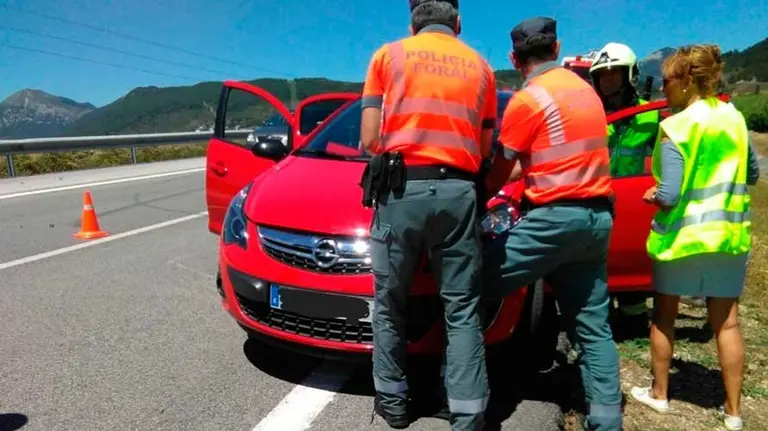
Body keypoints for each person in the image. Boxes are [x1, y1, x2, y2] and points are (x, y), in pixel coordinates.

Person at [358, 0, 497, 429]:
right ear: (457, 22)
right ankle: (466, 412)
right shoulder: (482, 67)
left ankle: (395, 404)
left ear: (412, 21)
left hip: (401, 190)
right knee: (461, 308)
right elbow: (488, 148)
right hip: (459, 191)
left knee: (389, 304)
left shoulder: (387, 55)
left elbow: (368, 140)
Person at [482, 16, 623, 431]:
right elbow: (548, 160)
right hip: (597, 220)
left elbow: (499, 171)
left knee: (468, 284)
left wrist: (471, 200)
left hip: (552, 221)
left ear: (514, 57)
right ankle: (607, 421)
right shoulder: (587, 94)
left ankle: (460, 396)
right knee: (593, 328)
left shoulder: (529, 100)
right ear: (557, 49)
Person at [629, 44, 760, 431]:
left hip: (683, 242)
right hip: (728, 240)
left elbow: (669, 194)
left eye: (668, 82)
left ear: (686, 82)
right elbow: (752, 174)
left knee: (664, 318)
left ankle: (660, 395)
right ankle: (734, 413)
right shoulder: (735, 118)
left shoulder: (677, 126)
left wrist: (653, 194)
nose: (663, 91)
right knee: (728, 325)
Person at [589, 42, 661, 338]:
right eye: (602, 75)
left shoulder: (653, 115)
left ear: (629, 75)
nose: (607, 81)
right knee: (599, 264)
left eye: (613, 74)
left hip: (637, 201)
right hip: (599, 199)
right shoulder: (591, 115)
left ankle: (634, 316)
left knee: (634, 262)